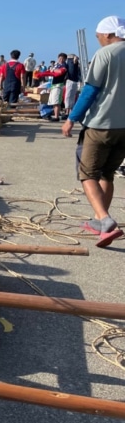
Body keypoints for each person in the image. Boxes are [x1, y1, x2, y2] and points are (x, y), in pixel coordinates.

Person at [62, 15, 125, 248]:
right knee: (107, 173)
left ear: (109, 34)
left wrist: (71, 119)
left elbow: (90, 90)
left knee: (87, 173)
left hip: (101, 124)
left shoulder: (106, 54)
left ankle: (106, 220)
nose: (98, 41)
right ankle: (100, 222)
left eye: (99, 37)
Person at [35, 53, 68, 121]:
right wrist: (40, 74)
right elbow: (50, 72)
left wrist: (53, 70)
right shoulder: (57, 65)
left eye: (62, 58)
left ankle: (56, 117)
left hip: (59, 85)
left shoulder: (64, 65)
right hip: (53, 85)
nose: (60, 60)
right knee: (53, 101)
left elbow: (60, 72)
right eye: (59, 58)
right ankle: (55, 115)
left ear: (65, 59)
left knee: (56, 102)